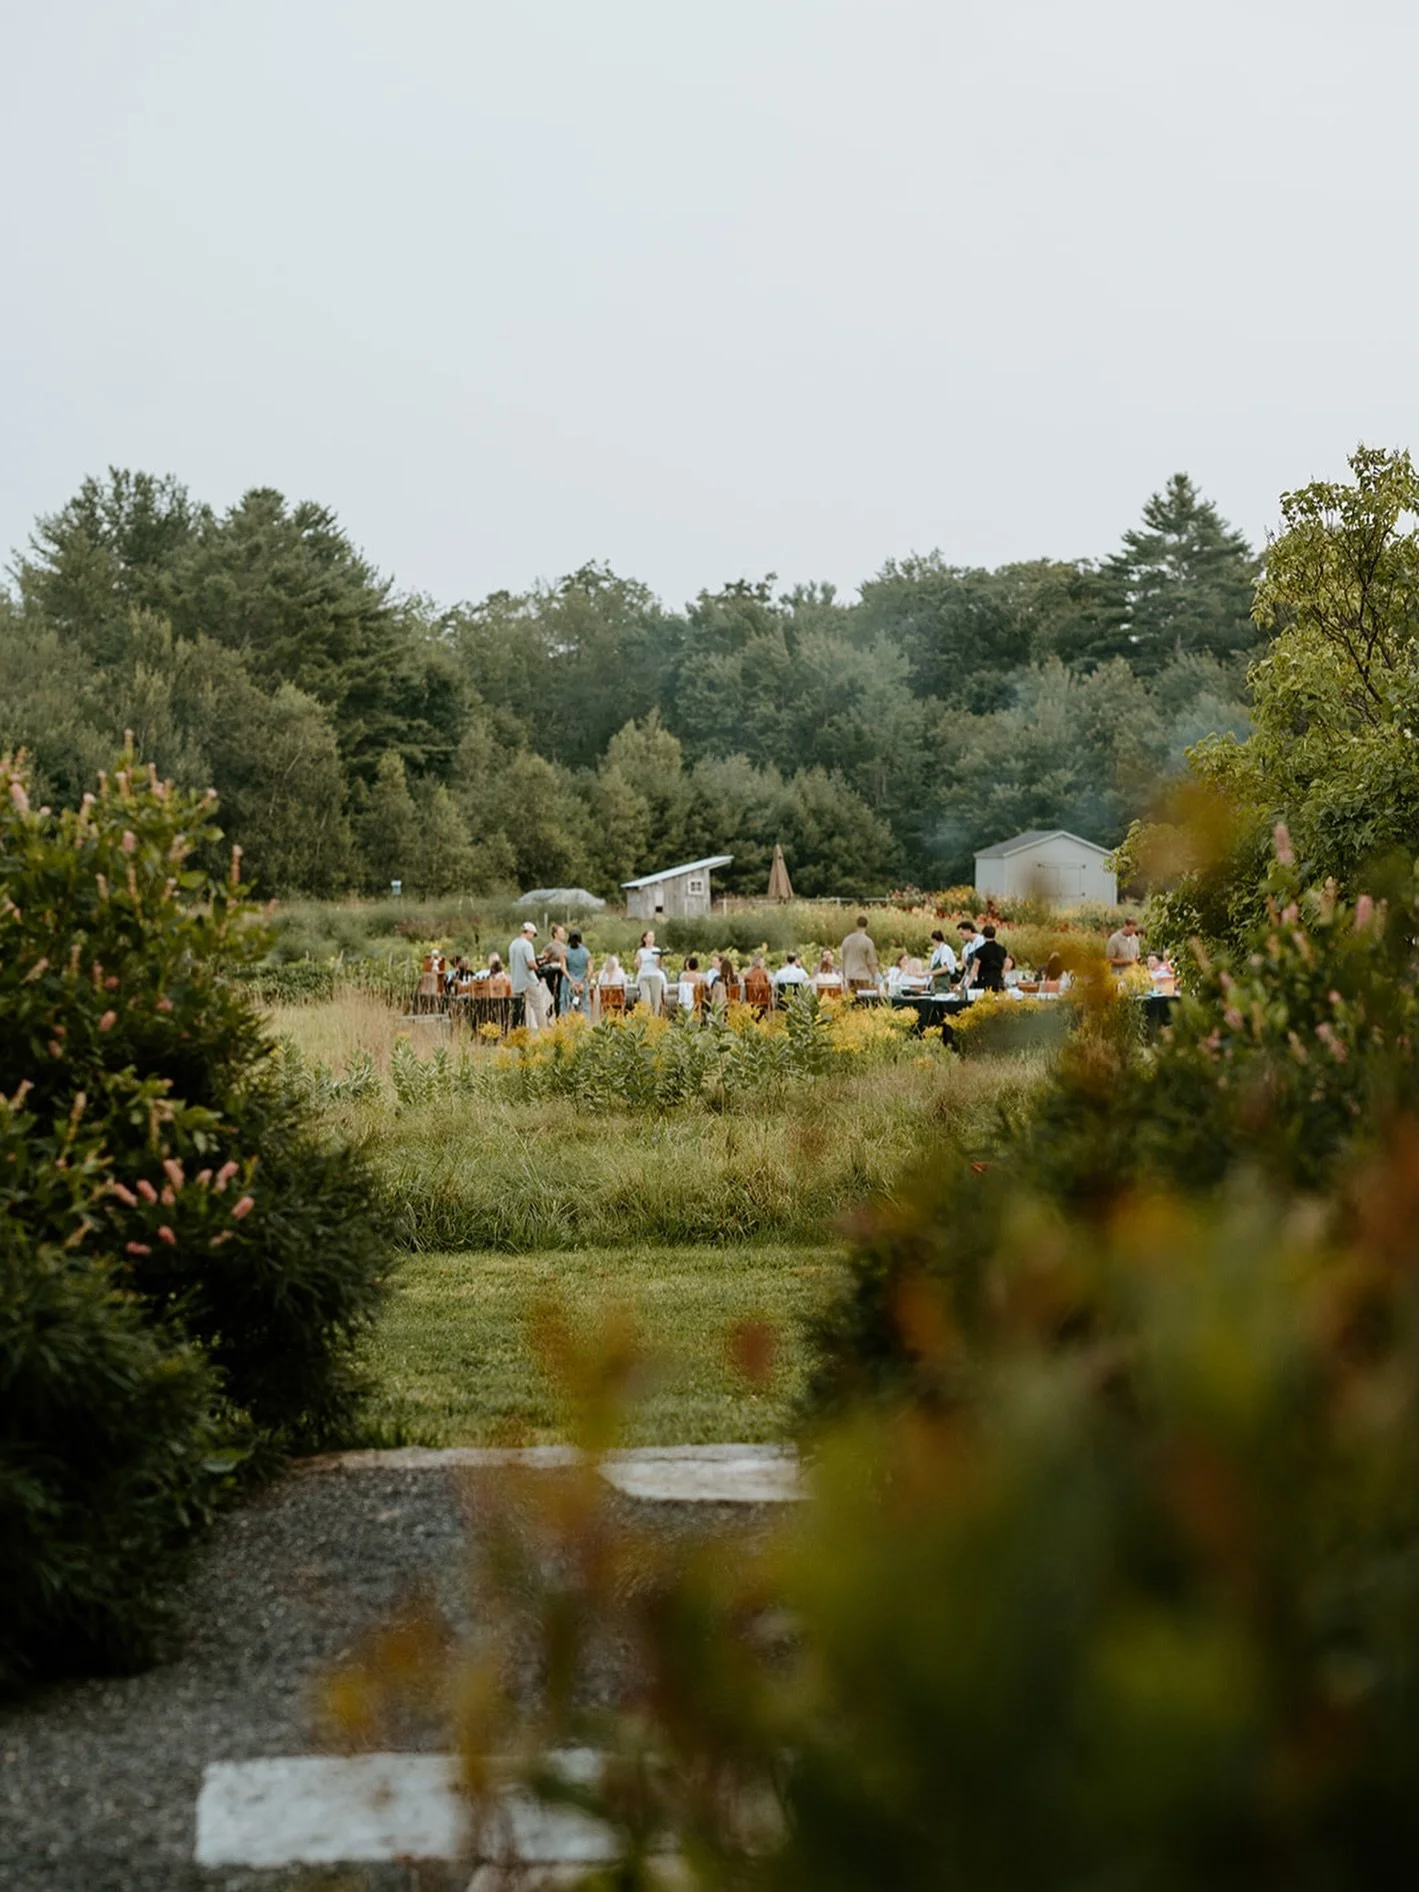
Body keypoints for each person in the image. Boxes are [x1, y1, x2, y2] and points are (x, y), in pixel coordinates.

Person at [509, 921, 548, 1032]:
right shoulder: (527, 945)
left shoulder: (513, 944)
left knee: (519, 1010)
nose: (533, 937)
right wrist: (539, 968)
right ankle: (544, 1032)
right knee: (538, 1007)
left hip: (516, 983)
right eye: (533, 934)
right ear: (528, 932)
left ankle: (519, 1032)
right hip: (529, 982)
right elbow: (530, 963)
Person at [840, 916, 879, 991]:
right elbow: (872, 963)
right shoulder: (868, 942)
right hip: (863, 977)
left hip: (849, 976)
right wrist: (874, 978)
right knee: (862, 1001)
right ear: (866, 925)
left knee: (850, 1000)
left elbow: (842, 961)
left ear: (856, 924)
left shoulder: (846, 940)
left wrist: (843, 976)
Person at [635, 930, 667, 1016]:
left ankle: (655, 1021)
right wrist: (637, 963)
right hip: (644, 977)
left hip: (655, 976)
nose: (651, 938)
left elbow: (659, 966)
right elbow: (638, 965)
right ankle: (647, 1020)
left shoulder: (657, 950)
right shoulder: (640, 951)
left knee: (655, 1001)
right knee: (646, 1001)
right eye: (649, 936)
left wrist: (660, 958)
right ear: (644, 939)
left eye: (652, 936)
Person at [970, 923, 1008, 993]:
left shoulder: (980, 951)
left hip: (984, 981)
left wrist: (968, 984)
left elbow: (975, 969)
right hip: (997, 980)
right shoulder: (1002, 949)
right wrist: (1003, 975)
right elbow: (1006, 964)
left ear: (983, 935)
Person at [562, 930, 591, 1015]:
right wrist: (583, 982)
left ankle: (565, 1026)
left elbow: (563, 968)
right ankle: (584, 1025)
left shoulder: (565, 952)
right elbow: (590, 969)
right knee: (584, 1006)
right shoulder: (586, 952)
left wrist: (572, 982)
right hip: (582, 981)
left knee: (566, 1005)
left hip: (568, 982)